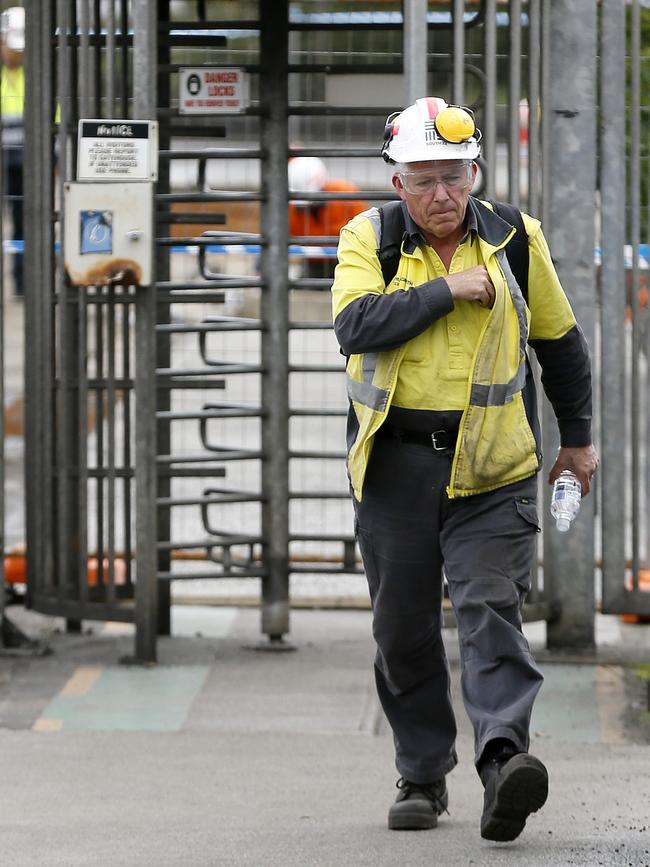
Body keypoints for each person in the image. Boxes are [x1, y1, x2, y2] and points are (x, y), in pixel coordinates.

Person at [331, 96, 599, 842]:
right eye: (424, 179)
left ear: (474, 171)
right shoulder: (368, 239)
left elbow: (561, 343)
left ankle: (503, 761)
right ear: (398, 185)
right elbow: (354, 326)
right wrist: (445, 291)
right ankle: (422, 774)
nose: (442, 194)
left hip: (495, 470)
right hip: (395, 470)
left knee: (489, 610)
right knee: (402, 631)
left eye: (454, 176)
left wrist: (576, 441)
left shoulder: (514, 238)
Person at [288, 156, 365, 280]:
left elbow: (365, 234)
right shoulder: (291, 210)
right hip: (314, 262)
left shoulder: (346, 197)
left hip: (349, 260)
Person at [1, 5, 25, 297]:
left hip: (27, 163)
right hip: (5, 160)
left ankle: (23, 282)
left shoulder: (37, 78)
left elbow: (53, 120)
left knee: (25, 225)